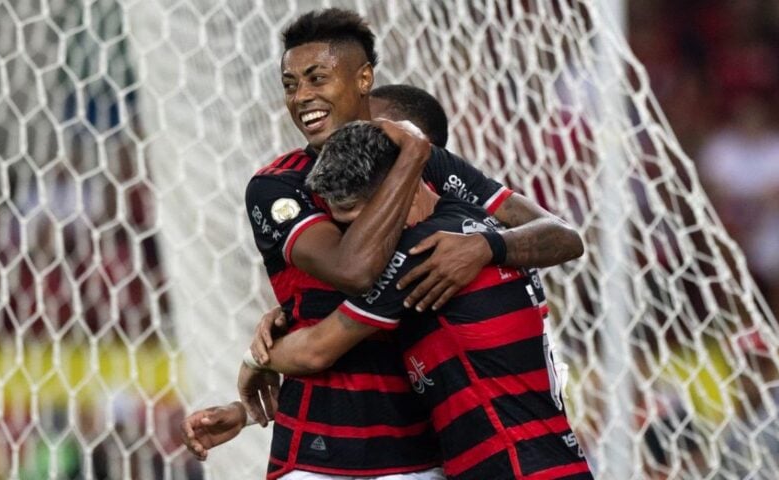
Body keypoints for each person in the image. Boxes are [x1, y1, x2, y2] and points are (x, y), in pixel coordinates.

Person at [184, 7, 583, 478]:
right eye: (291, 84)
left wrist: (485, 247)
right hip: (321, 455)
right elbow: (354, 272)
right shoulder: (279, 186)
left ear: (364, 79)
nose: (302, 97)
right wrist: (258, 372)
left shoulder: (426, 169)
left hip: (427, 451)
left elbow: (562, 236)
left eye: (317, 78)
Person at [242, 121, 591, 479]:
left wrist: (255, 361)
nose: (358, 240)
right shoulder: (486, 227)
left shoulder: (421, 253)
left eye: (362, 222)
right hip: (557, 460)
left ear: (397, 192)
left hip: (509, 466)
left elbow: (315, 351)